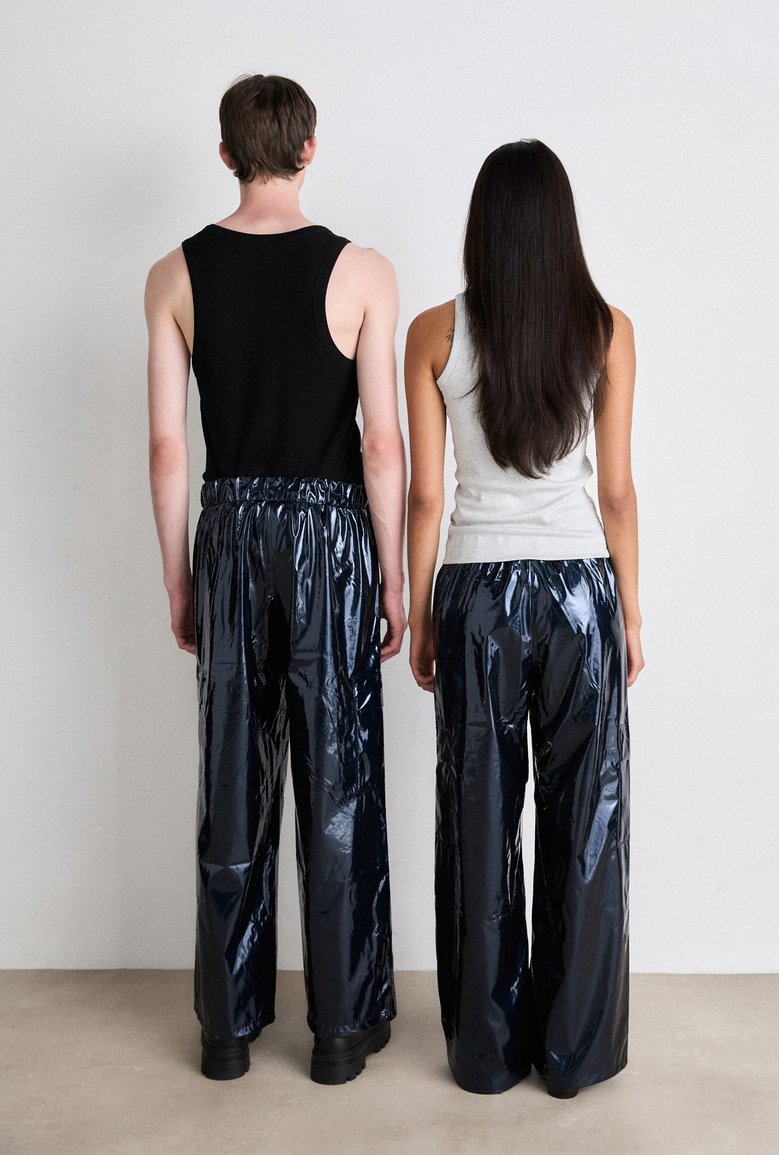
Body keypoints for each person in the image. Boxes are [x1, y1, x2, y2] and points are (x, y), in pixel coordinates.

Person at [144, 73, 406, 1084]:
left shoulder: (173, 274)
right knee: (337, 781)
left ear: (225, 155)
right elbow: (379, 445)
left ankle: (227, 1031)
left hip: (228, 529)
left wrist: (180, 578)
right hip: (330, 535)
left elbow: (170, 447)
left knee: (233, 779)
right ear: (309, 149)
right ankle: (340, 1030)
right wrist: (391, 577)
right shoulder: (363, 272)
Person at [404, 139, 643, 1099]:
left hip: (475, 592)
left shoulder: (433, 332)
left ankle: (488, 1053)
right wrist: (630, 612)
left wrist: (422, 607)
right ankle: (574, 1053)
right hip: (580, 591)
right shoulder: (607, 330)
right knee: (587, 818)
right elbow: (615, 492)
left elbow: (428, 495)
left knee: (479, 815)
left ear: (484, 228)